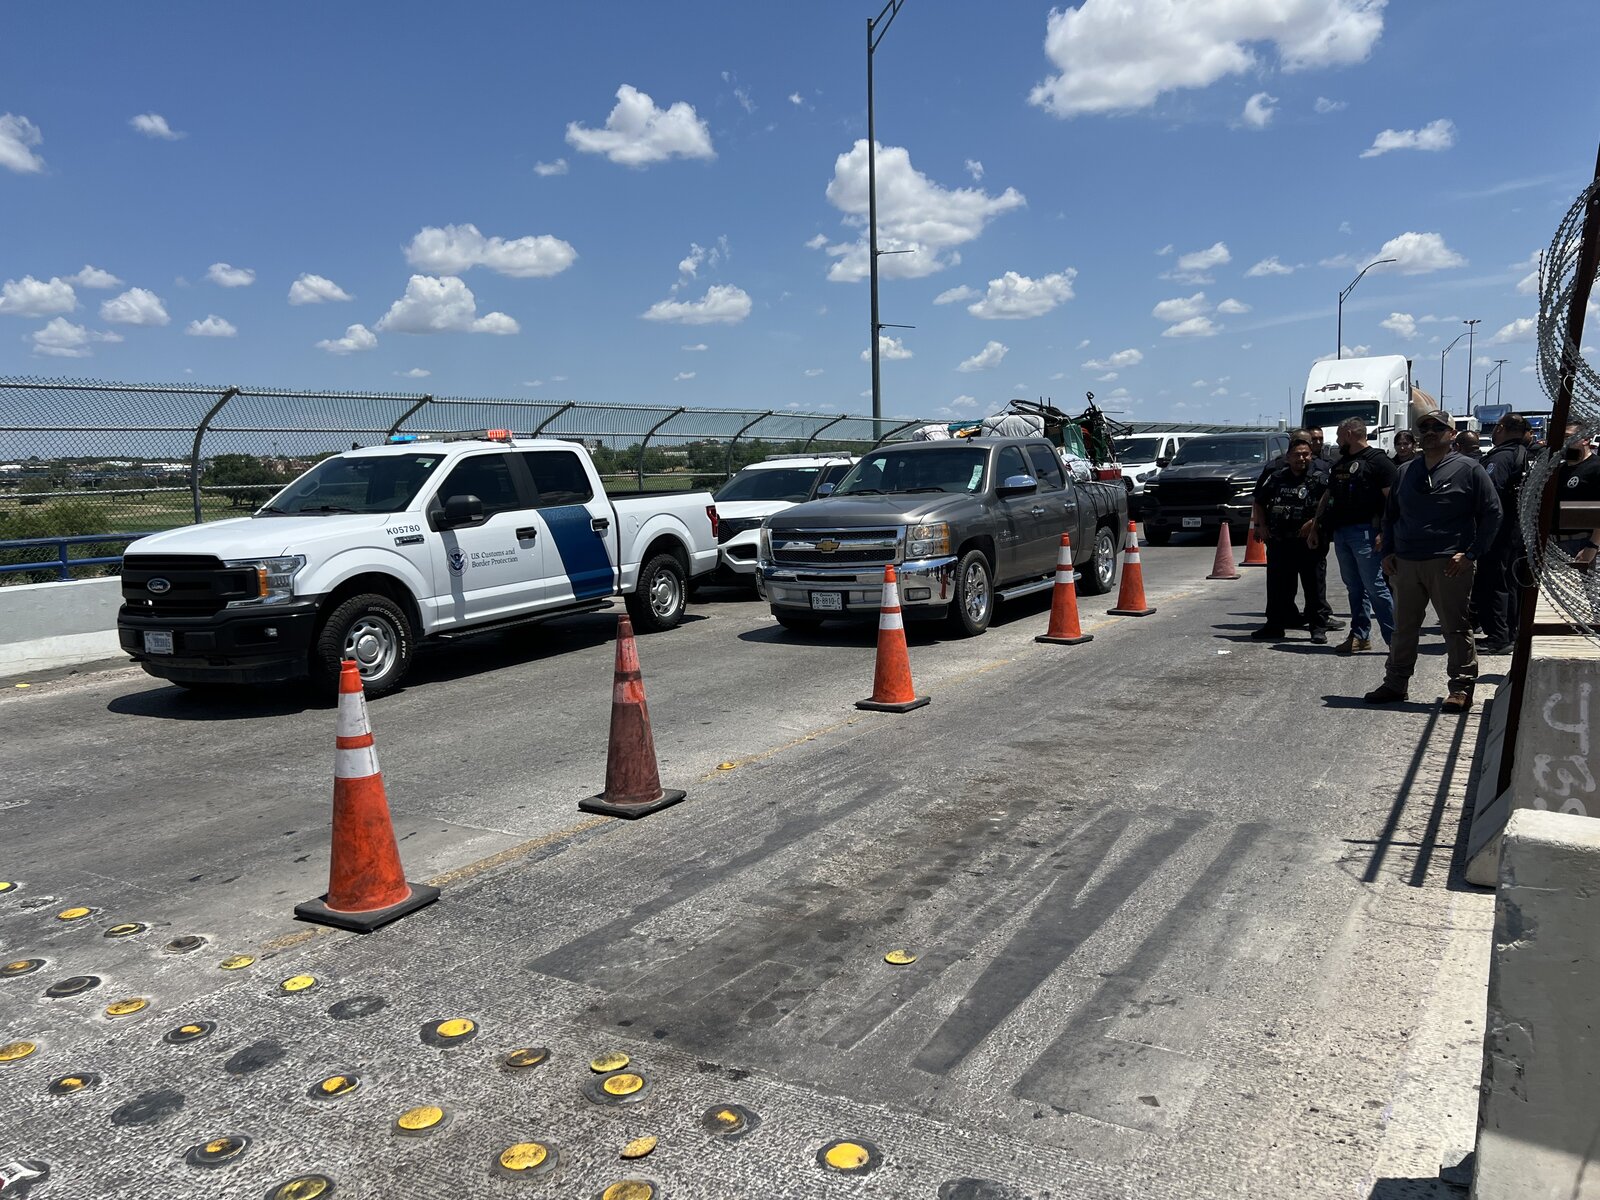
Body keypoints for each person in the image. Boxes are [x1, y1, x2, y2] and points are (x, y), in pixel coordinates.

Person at [1364, 409, 1501, 712]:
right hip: (1406, 562)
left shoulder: (1469, 469)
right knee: (1403, 628)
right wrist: (1387, 552)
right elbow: (1391, 515)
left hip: (1449, 563)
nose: (1429, 432)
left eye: (1437, 428)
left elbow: (1492, 513)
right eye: (1424, 428)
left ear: (1451, 434)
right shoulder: (1405, 471)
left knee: (1455, 627)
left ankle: (1461, 687)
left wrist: (1472, 554)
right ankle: (1395, 683)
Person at [1311, 416, 1397, 654]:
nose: (1338, 441)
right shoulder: (1341, 463)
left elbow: (1394, 501)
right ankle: (1359, 635)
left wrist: (1385, 532)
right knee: (1354, 588)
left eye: (1340, 436)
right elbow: (1328, 495)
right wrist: (1316, 524)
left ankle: (1396, 642)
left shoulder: (1379, 462)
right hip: (1342, 532)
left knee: (1376, 587)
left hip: (1367, 533)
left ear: (1349, 434)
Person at [1251, 434, 1331, 643]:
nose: (1301, 458)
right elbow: (1259, 501)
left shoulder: (1320, 478)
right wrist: (1261, 526)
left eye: (1306, 454)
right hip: (1280, 542)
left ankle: (1318, 627)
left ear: (1311, 456)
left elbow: (1331, 504)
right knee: (1278, 587)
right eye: (1297, 455)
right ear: (1288, 457)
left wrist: (1314, 523)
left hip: (1309, 542)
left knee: (1314, 587)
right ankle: (1274, 626)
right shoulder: (1276, 477)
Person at [1474, 415, 1532, 655]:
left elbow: (1489, 495)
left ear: (1501, 428)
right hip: (1515, 528)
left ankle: (1499, 637)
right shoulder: (1524, 453)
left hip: (1499, 530)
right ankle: (1507, 633)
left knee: (1495, 582)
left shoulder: (1501, 457)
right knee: (1508, 582)